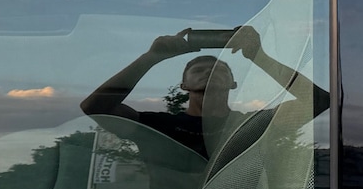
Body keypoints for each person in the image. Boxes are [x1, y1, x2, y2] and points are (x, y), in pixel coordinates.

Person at [80, 25, 328, 160]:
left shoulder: (250, 126)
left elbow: (317, 100)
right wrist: (151, 57)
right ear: (183, 85)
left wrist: (258, 56)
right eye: (199, 69)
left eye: (219, 69)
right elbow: (95, 108)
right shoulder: (156, 126)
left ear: (233, 84)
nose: (209, 70)